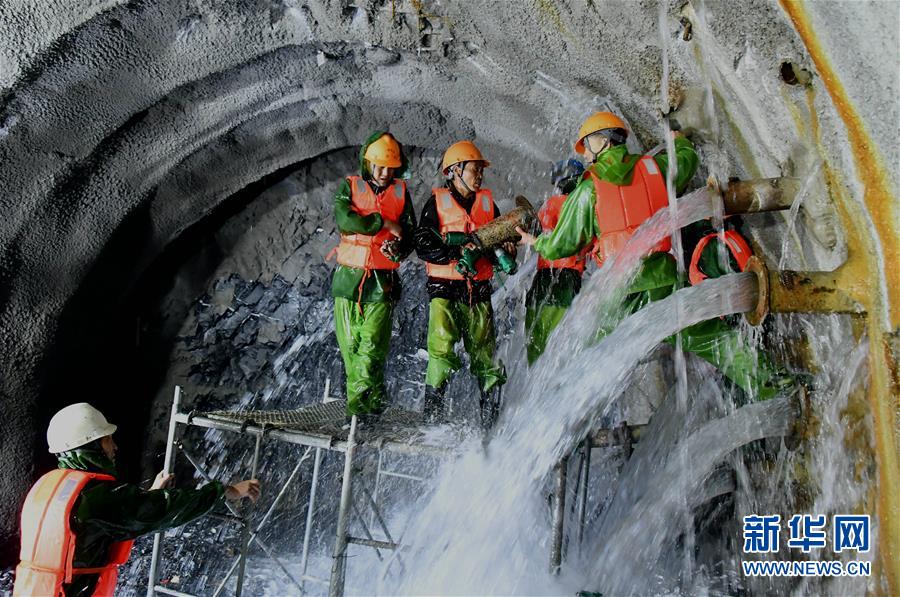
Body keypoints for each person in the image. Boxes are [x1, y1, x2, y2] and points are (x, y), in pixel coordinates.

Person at [518, 111, 793, 401]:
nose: (585, 154)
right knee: (715, 339)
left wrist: (536, 243)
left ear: (603, 142)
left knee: (581, 348)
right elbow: (687, 161)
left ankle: (553, 400)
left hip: (622, 294)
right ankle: (779, 387)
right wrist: (680, 142)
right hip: (665, 283)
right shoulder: (656, 169)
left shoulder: (588, 191)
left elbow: (562, 246)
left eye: (587, 145)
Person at [14, 403, 260, 597]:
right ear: (92, 445)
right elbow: (167, 508)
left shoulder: (49, 486)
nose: (114, 447)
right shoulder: (95, 497)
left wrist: (149, 495)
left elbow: (105, 523)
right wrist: (224, 491)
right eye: (108, 439)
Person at [414, 140, 516, 428]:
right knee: (441, 349)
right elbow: (422, 243)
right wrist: (454, 251)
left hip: (479, 291)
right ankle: (433, 421)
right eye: (474, 170)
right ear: (454, 171)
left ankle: (489, 424)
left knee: (485, 355)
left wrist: (507, 251)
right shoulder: (436, 203)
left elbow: (498, 246)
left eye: (480, 170)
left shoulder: (487, 204)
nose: (479, 175)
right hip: (444, 290)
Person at [331, 131, 417, 418]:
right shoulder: (349, 186)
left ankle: (356, 416)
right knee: (351, 351)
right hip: (347, 282)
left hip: (382, 284)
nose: (383, 173)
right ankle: (374, 402)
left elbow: (410, 234)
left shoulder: (401, 193)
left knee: (369, 351)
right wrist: (383, 222)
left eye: (389, 167)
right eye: (378, 166)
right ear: (367, 164)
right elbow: (345, 218)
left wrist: (400, 246)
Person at [525, 159, 589, 364]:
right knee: (562, 344)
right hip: (570, 279)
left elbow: (541, 233)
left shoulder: (552, 204)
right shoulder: (581, 206)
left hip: (546, 278)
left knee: (537, 340)